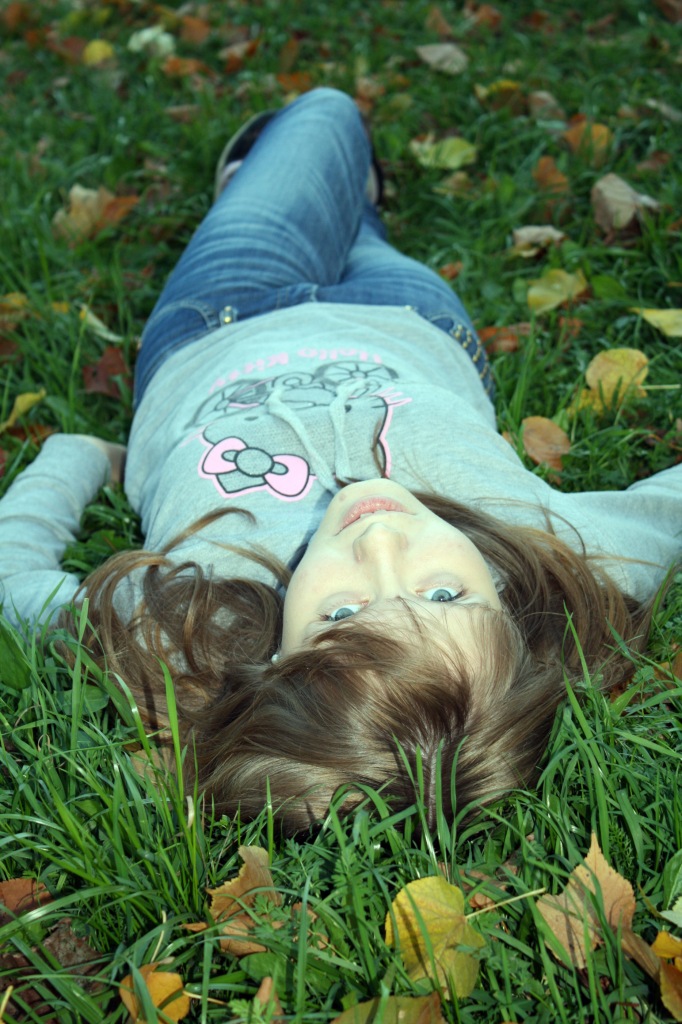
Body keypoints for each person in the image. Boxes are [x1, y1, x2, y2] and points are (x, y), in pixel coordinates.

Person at [0, 88, 680, 833]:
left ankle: (290, 185)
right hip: (406, 313)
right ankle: (350, 202)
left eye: (342, 614)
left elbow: (9, 580)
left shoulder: (193, 628)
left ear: (277, 667)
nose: (379, 542)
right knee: (355, 216)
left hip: (219, 316)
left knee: (326, 113)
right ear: (513, 620)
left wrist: (81, 456)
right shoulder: (552, 555)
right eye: (446, 595)